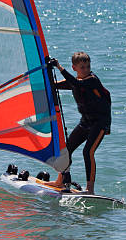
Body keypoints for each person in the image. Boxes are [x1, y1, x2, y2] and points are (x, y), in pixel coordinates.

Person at [46, 51, 111, 194]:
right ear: (74, 67)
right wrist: (46, 75)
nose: (86, 69)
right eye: (82, 67)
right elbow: (60, 85)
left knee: (88, 152)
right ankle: (60, 181)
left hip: (100, 123)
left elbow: (75, 82)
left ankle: (90, 190)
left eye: (88, 66)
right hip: (85, 122)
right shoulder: (77, 82)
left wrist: (59, 67)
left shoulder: (92, 80)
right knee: (66, 149)